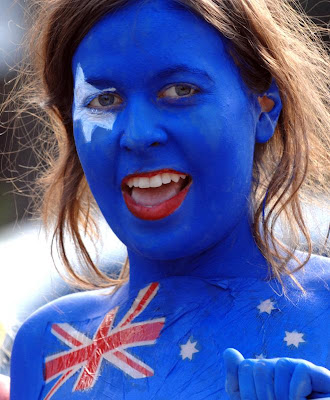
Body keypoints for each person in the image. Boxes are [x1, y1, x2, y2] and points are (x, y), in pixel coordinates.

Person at [7, 0, 330, 398]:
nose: (139, 134)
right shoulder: (46, 346)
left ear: (264, 108)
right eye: (104, 100)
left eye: (181, 90)